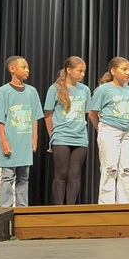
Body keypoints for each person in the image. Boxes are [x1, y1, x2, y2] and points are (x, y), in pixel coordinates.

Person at [0, 55, 44, 207]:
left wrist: (35, 138)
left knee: (23, 177)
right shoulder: (4, 91)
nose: (27, 70)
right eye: (23, 67)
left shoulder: (31, 92)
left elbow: (35, 117)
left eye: (28, 67)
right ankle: (5, 209)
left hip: (25, 142)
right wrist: (4, 141)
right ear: (12, 69)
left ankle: (22, 209)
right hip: (10, 141)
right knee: (8, 177)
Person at [87, 57, 129, 204]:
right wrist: (101, 128)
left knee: (128, 169)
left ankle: (125, 204)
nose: (128, 72)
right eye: (124, 69)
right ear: (113, 71)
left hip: (127, 132)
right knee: (110, 168)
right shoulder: (103, 89)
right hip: (109, 129)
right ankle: (107, 206)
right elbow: (93, 113)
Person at [43, 56, 91, 205]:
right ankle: (58, 208)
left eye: (84, 71)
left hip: (80, 138)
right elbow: (48, 115)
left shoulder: (85, 90)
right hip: (61, 137)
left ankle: (71, 208)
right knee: (62, 173)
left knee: (74, 174)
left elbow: (87, 113)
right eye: (80, 71)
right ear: (69, 70)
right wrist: (53, 136)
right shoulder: (55, 88)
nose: (82, 74)